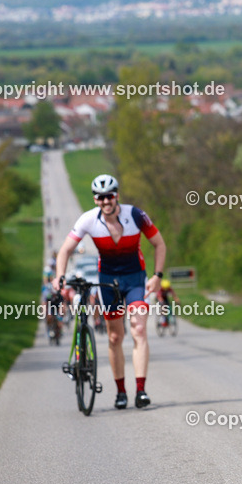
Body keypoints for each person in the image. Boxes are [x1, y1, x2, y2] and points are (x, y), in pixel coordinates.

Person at [53, 174, 167, 410]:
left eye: (110, 196)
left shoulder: (135, 215)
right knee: (115, 337)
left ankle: (141, 390)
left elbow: (159, 244)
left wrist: (157, 276)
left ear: (117, 196)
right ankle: (121, 392)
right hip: (108, 282)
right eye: (101, 198)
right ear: (95, 200)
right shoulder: (88, 220)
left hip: (136, 279)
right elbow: (65, 250)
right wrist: (59, 277)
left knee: (139, 329)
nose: (106, 201)